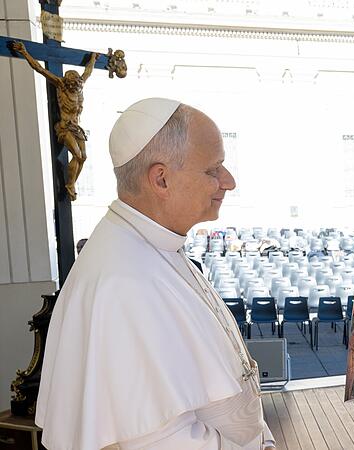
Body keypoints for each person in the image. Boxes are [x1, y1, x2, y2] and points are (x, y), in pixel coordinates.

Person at [35, 98, 275, 449]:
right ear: (160, 179)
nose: (229, 181)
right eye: (213, 169)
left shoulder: (159, 247)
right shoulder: (123, 282)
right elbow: (156, 439)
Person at [10, 42, 98, 200]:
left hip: (77, 128)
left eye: (77, 85)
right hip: (64, 128)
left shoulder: (80, 85)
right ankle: (70, 185)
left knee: (83, 157)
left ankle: (72, 184)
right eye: (73, 85)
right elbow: (39, 69)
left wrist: (93, 58)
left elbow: (88, 71)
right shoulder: (61, 85)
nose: (75, 87)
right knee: (77, 155)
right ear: (67, 83)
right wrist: (24, 51)